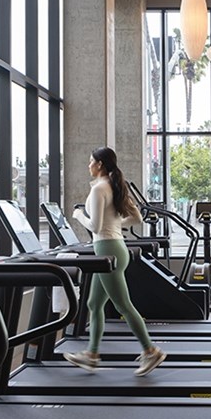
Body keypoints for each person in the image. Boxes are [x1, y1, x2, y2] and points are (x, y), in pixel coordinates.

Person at [64, 146, 166, 376]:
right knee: (94, 304)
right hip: (114, 247)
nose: (88, 165)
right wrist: (114, 224)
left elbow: (96, 227)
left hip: (107, 248)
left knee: (123, 305)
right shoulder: (115, 185)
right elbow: (137, 218)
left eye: (90, 161)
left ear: (99, 164)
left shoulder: (100, 188)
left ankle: (151, 351)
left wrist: (79, 215)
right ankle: (91, 354)